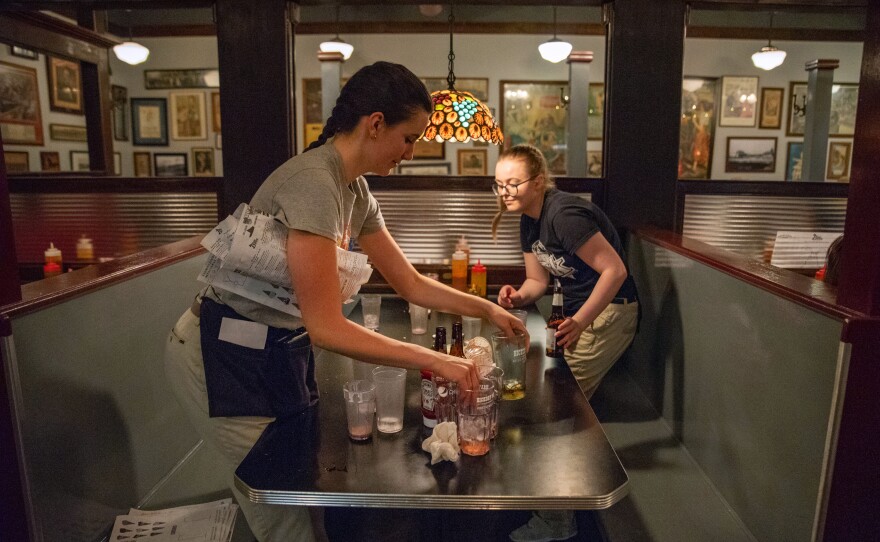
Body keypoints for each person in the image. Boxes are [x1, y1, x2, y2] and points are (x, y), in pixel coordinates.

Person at [163, 61, 527, 542]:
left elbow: (411, 284)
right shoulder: (314, 182)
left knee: (310, 498)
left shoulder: (354, 190)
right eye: (409, 137)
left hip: (273, 354)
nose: (412, 153)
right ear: (375, 124)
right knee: (283, 515)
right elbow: (327, 328)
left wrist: (486, 309)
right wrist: (441, 362)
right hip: (220, 356)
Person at [492, 144, 639, 542]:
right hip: (574, 318)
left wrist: (580, 321)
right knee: (540, 397)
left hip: (609, 315)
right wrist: (516, 297)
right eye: (498, 185)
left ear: (538, 182)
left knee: (557, 410)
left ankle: (558, 522)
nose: (504, 192)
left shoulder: (565, 215)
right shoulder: (528, 218)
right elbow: (537, 281)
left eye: (513, 184)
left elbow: (615, 271)